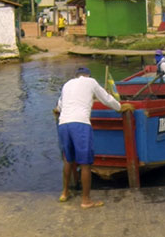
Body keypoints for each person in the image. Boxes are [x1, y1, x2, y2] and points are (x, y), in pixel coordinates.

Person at [55, 66, 133, 208]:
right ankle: (86, 201)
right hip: (80, 124)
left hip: (63, 124)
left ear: (76, 75)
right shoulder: (91, 82)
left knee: (68, 160)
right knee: (85, 164)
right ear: (88, 75)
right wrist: (119, 107)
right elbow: (106, 98)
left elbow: (59, 107)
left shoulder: (67, 84)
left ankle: (65, 193)